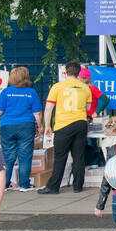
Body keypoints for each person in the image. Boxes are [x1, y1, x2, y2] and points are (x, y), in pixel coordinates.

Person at [39, 61, 92, 194]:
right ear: (78, 72)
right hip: (80, 123)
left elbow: (48, 109)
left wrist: (47, 126)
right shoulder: (85, 88)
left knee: (60, 156)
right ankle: (78, 185)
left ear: (65, 72)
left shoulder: (57, 87)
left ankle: (54, 186)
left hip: (63, 125)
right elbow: (88, 108)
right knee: (79, 156)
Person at [0, 66, 42, 192]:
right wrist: (39, 126)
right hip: (26, 126)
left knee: (8, 156)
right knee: (25, 156)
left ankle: (5, 184)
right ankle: (24, 184)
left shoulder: (6, 92)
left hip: (7, 126)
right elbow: (37, 113)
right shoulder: (31, 92)